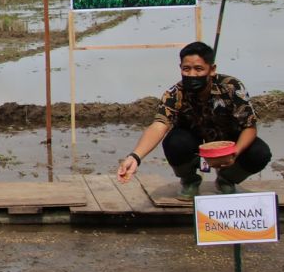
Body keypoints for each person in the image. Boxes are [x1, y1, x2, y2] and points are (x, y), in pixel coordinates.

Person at [116, 41, 271, 200]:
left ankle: (227, 179)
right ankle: (189, 181)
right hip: (193, 143)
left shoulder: (231, 87)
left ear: (212, 70)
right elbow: (159, 125)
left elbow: (249, 126)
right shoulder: (175, 93)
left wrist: (235, 152)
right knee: (175, 143)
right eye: (186, 69)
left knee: (260, 153)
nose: (191, 74)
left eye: (198, 69)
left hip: (227, 142)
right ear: (180, 68)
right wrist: (135, 157)